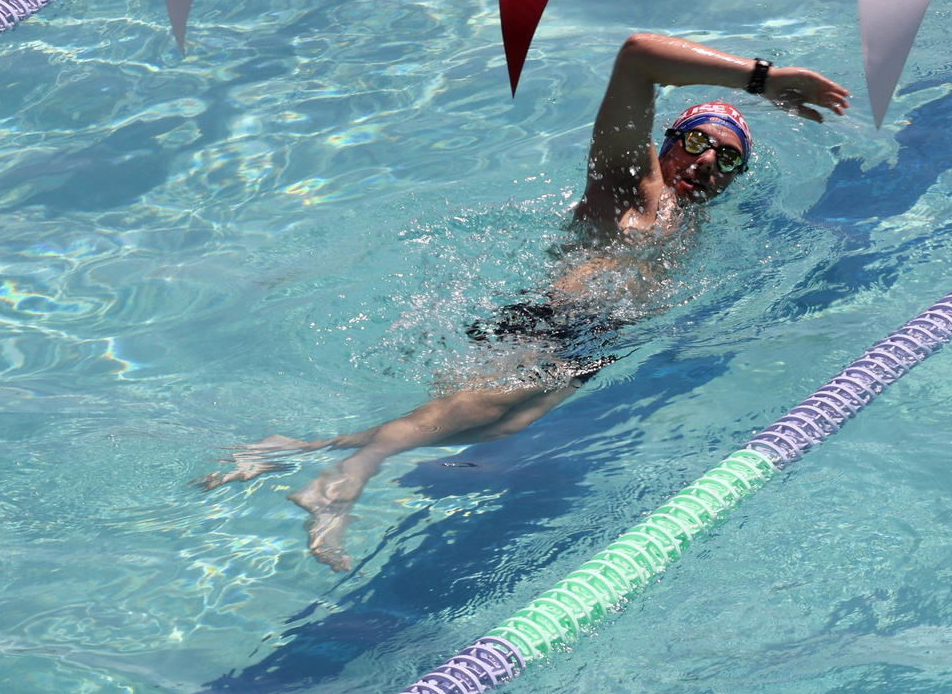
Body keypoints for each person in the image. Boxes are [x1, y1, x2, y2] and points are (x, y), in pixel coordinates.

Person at [200, 34, 849, 570]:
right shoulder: (629, 180)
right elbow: (637, 57)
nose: (709, 164)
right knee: (477, 407)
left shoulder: (687, 218)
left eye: (728, 163)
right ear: (672, 137)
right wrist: (765, 80)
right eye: (700, 142)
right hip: (555, 322)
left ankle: (291, 446)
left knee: (497, 422)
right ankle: (342, 479)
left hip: (593, 341)